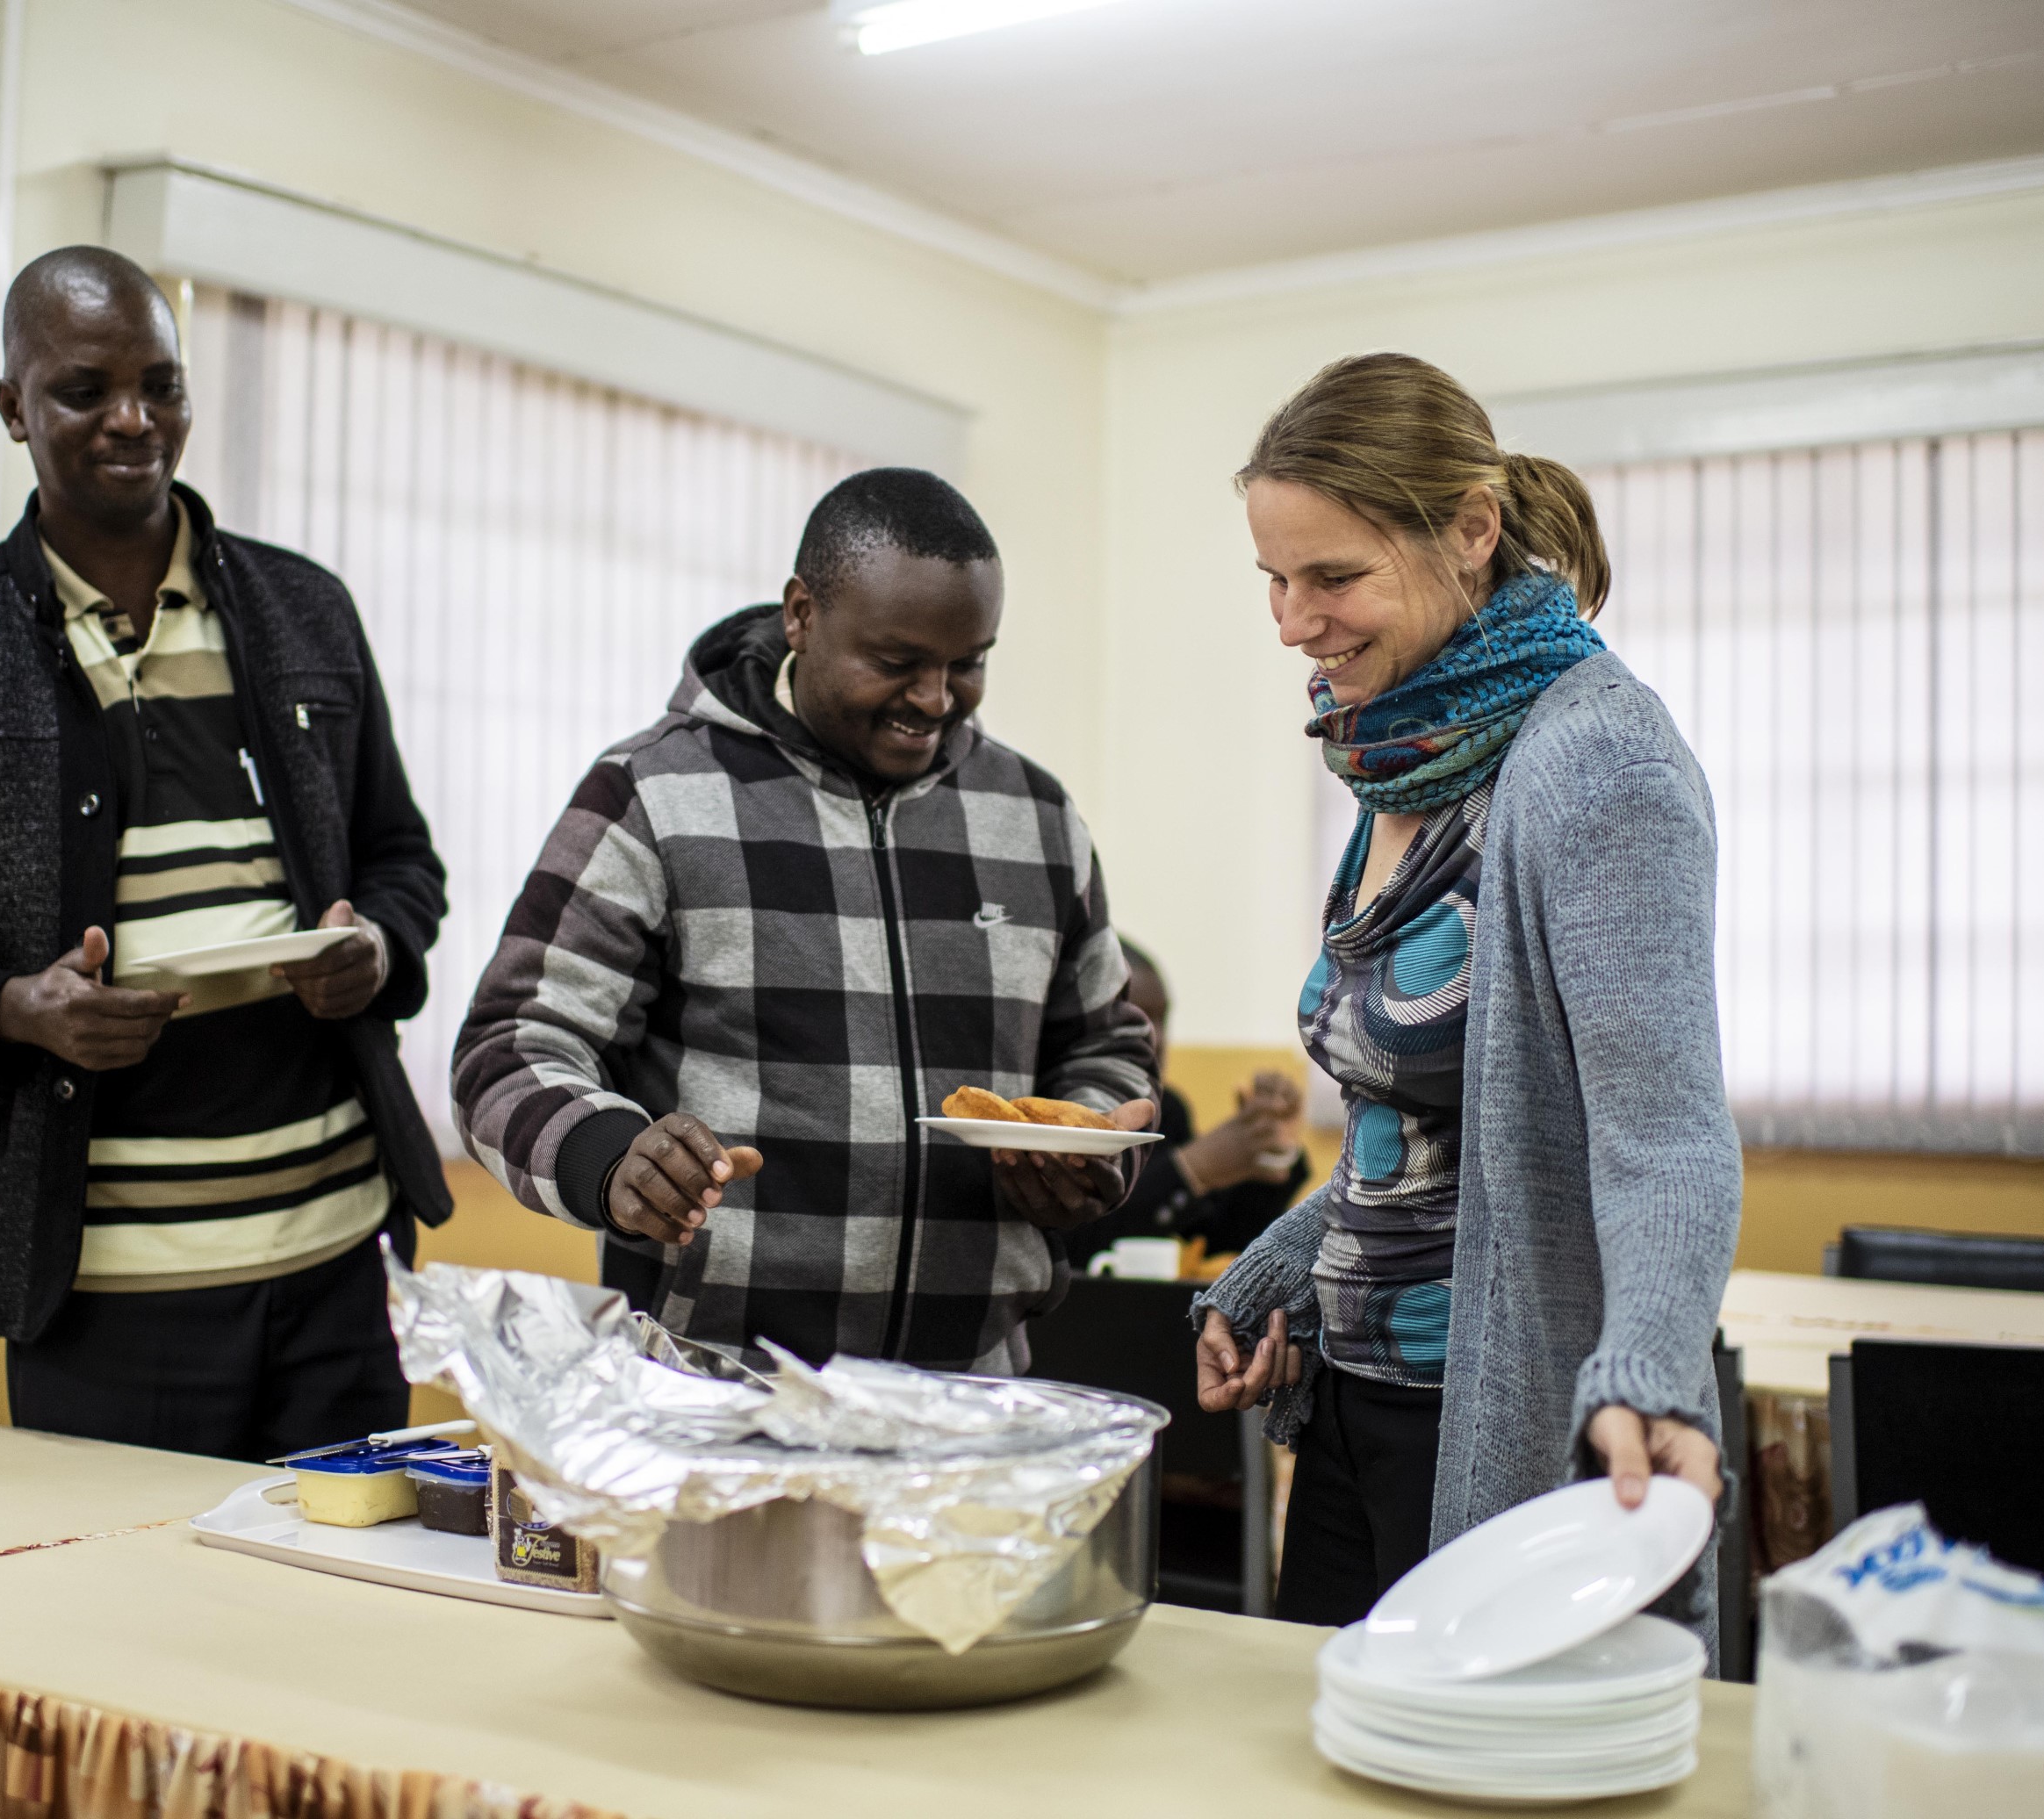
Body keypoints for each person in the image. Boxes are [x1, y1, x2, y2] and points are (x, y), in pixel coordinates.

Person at [0, 247, 450, 1461]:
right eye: (83, 389)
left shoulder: (306, 612)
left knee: (344, 1627)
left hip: (341, 1268)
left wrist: (375, 944)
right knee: (129, 1635)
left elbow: (401, 859)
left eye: (161, 384)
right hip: (106, 1296)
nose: (132, 421)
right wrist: (17, 1009)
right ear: (12, 407)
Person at [1188, 354, 1740, 1645]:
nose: (1291, 622)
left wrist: (1651, 1374)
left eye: (1334, 578)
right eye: (1275, 577)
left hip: (1492, 1409)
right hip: (1355, 1397)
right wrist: (1280, 1268)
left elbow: (1661, 1135)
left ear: (1473, 532)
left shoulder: (1594, 758)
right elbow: (1452, 1127)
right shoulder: (1412, 755)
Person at [454, 469, 1158, 1374]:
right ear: (801, 614)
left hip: (973, 1394)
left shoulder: (1036, 813)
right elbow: (507, 1047)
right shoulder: (654, 792)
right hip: (714, 1390)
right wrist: (609, 1152)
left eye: (968, 662)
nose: (936, 699)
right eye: (897, 661)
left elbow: (1107, 1047)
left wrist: (1089, 1145)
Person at [1058, 938, 1310, 1269]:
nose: (1156, 1037)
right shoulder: (1054, 1108)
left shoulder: (1168, 1108)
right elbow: (1069, 1244)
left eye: (1162, 1019)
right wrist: (1189, 1170)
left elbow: (1216, 1239)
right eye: (1134, 1017)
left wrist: (1264, 1152)